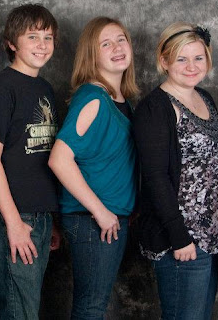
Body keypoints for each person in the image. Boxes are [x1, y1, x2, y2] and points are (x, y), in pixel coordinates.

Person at [133, 22, 218, 320]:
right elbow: (155, 178)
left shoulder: (205, 98)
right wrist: (179, 236)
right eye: (181, 59)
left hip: (211, 233)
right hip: (181, 236)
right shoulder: (155, 108)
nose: (191, 66)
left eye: (198, 58)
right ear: (164, 61)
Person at [48, 17, 139, 319]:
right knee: (91, 307)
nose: (117, 47)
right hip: (92, 220)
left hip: (110, 217)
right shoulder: (93, 98)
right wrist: (100, 211)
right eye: (106, 44)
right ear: (92, 55)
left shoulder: (120, 99)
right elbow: (59, 159)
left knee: (94, 305)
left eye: (121, 39)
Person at [0, 4, 61, 320]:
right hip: (10, 219)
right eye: (32, 36)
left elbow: (40, 156)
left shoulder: (44, 88)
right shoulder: (2, 87)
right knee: (19, 314)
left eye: (48, 37)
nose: (42, 44)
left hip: (37, 218)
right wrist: (13, 223)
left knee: (26, 310)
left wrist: (48, 219)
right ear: (12, 43)